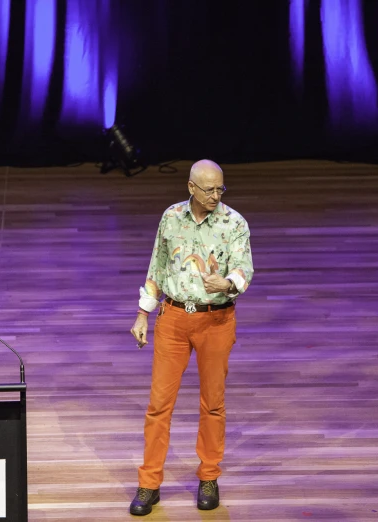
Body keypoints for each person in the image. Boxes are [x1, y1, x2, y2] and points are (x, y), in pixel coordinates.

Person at [128, 159, 254, 516]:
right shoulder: (170, 218)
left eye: (220, 189)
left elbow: (245, 267)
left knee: (212, 404)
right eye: (209, 189)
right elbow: (157, 265)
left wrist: (229, 283)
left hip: (216, 321)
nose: (216, 195)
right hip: (173, 319)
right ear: (191, 188)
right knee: (158, 406)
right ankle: (149, 484)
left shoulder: (234, 223)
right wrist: (143, 313)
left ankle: (209, 476)